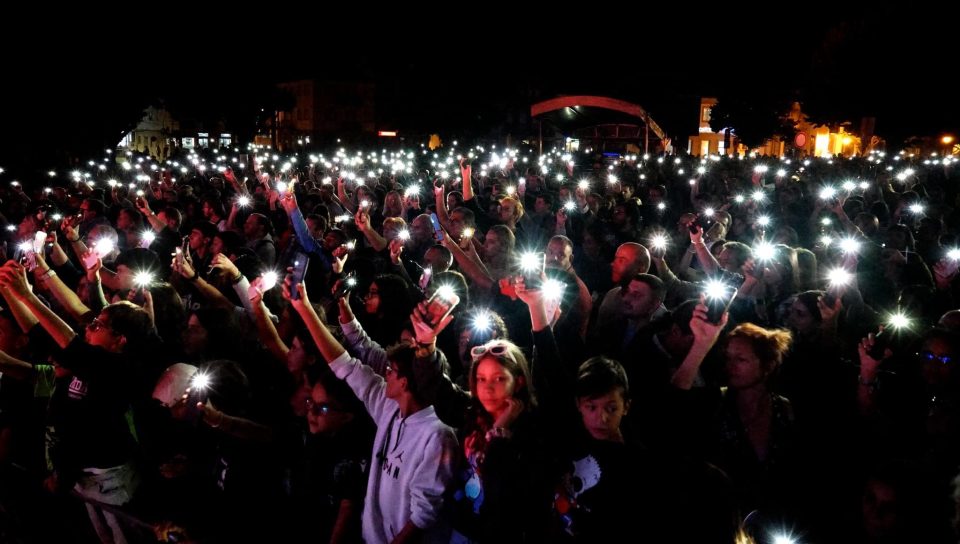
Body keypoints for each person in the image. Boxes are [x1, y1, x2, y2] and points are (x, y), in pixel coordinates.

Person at [288, 275, 458, 543]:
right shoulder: (388, 406)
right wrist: (304, 308)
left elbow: (423, 515)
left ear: (404, 382)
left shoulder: (437, 435)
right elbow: (344, 364)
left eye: (390, 370)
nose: (384, 374)